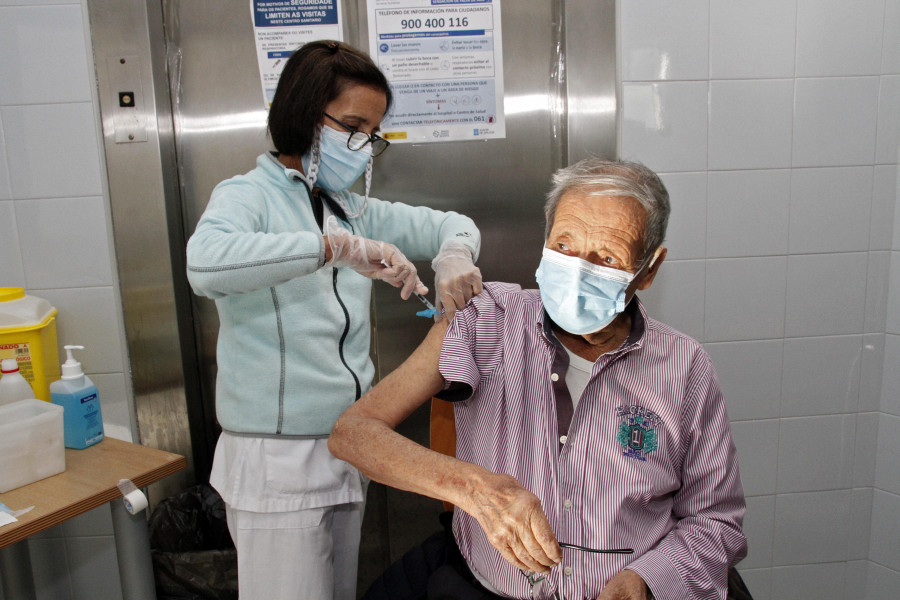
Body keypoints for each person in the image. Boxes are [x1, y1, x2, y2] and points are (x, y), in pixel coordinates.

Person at [329, 158, 747, 600]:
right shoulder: (484, 320)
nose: (579, 270)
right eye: (564, 246)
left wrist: (647, 581)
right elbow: (353, 434)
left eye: (606, 257)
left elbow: (716, 521)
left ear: (649, 269)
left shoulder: (684, 366)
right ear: (545, 239)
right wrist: (475, 489)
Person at [185, 40, 483, 600]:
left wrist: (452, 256)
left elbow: (454, 222)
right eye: (351, 126)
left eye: (372, 133)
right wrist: (332, 249)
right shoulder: (247, 196)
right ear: (304, 115)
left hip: (348, 446)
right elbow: (204, 264)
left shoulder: (347, 203)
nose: (364, 146)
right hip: (278, 459)